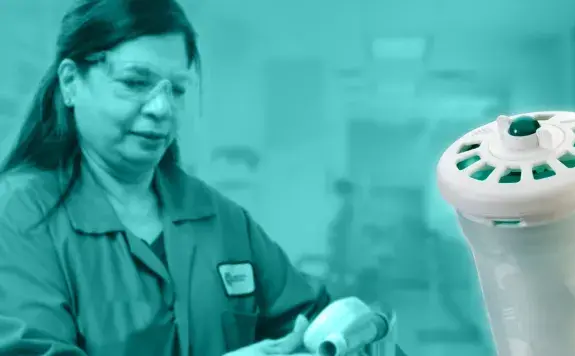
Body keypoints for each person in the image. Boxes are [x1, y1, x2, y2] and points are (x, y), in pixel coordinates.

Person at [0, 1, 398, 355]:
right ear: (71, 83)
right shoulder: (20, 215)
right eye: (135, 82)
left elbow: (308, 316)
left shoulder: (217, 218)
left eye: (176, 89)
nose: (161, 108)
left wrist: (357, 331)